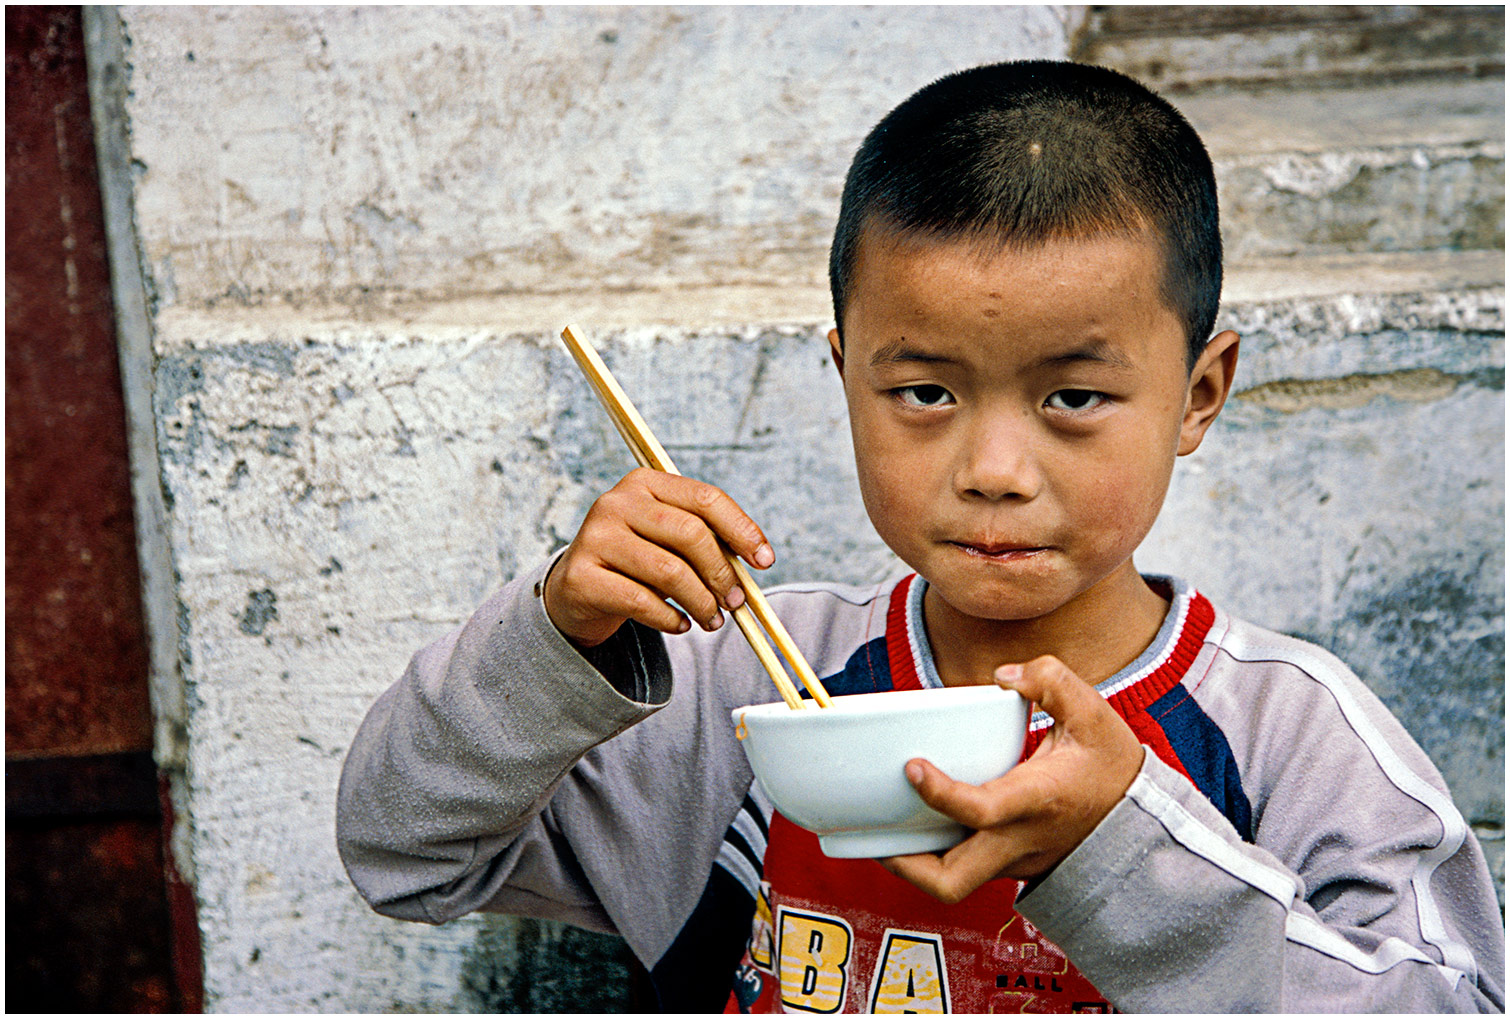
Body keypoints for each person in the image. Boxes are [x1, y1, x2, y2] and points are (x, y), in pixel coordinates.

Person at [336, 61, 1504, 1012]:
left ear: (1200, 392)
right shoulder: (745, 688)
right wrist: (558, 635)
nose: (994, 472)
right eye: (926, 395)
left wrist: (1125, 853)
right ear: (845, 373)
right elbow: (407, 850)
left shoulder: (1289, 733)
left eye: (1074, 398)